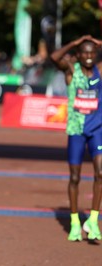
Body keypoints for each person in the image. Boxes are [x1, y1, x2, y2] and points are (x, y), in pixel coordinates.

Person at [50, 35, 102, 241]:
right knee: (75, 177)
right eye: (84, 53)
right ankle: (74, 222)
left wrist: (98, 43)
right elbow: (55, 58)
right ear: (78, 56)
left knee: (100, 173)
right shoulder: (72, 70)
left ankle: (93, 221)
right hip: (76, 130)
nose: (88, 56)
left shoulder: (100, 70)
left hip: (98, 129)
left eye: (92, 52)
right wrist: (74, 42)